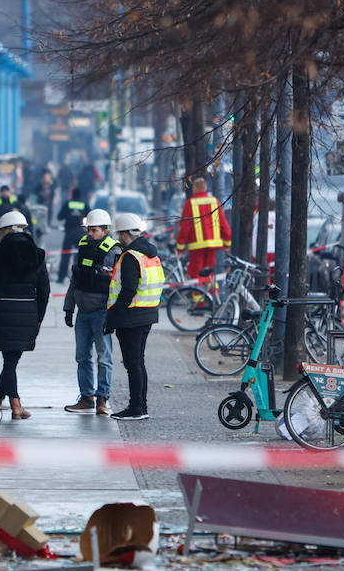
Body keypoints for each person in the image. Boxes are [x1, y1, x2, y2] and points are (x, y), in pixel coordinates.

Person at [0, 210, 50, 420]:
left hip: (3, 311)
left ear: (4, 230)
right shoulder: (37, 254)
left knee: (9, 360)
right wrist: (38, 317)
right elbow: (44, 290)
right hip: (28, 311)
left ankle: (3, 403)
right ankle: (7, 404)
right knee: (11, 360)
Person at [104, 212, 165, 421]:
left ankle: (136, 408)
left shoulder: (130, 256)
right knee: (138, 362)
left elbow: (128, 290)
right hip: (147, 314)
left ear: (123, 234)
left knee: (133, 364)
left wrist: (112, 318)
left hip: (131, 317)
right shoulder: (151, 254)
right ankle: (141, 406)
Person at [62, 208, 122, 416]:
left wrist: (113, 315)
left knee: (104, 358)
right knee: (82, 357)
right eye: (89, 229)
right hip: (82, 312)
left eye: (94, 230)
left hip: (101, 313)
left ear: (105, 230)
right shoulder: (83, 247)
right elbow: (75, 279)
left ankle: (102, 399)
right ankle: (86, 398)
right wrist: (68, 308)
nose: (90, 234)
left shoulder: (114, 251)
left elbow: (117, 286)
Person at [177, 176, 231, 280]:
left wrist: (180, 247)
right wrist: (227, 243)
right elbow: (223, 224)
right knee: (210, 275)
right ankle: (212, 295)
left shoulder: (190, 203)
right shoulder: (214, 202)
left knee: (196, 275)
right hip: (213, 246)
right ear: (205, 188)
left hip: (196, 246)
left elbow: (185, 227)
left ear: (195, 188)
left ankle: (199, 295)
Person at [56, 187, 88, 283]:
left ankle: (61, 277)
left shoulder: (68, 204)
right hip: (81, 233)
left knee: (65, 255)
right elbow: (89, 215)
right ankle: (78, 277)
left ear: (72, 194)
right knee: (79, 256)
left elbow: (59, 217)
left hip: (69, 232)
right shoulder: (84, 205)